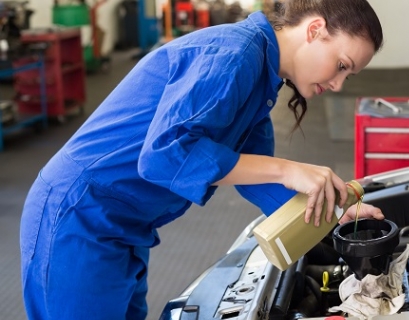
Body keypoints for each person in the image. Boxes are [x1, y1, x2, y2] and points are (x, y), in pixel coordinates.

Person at [20, 0, 385, 318]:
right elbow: (164, 156)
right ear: (315, 29)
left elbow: (251, 172)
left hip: (125, 226)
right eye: (341, 64)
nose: (338, 84)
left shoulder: (263, 78)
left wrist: (334, 212)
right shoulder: (235, 54)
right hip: (79, 217)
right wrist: (289, 169)